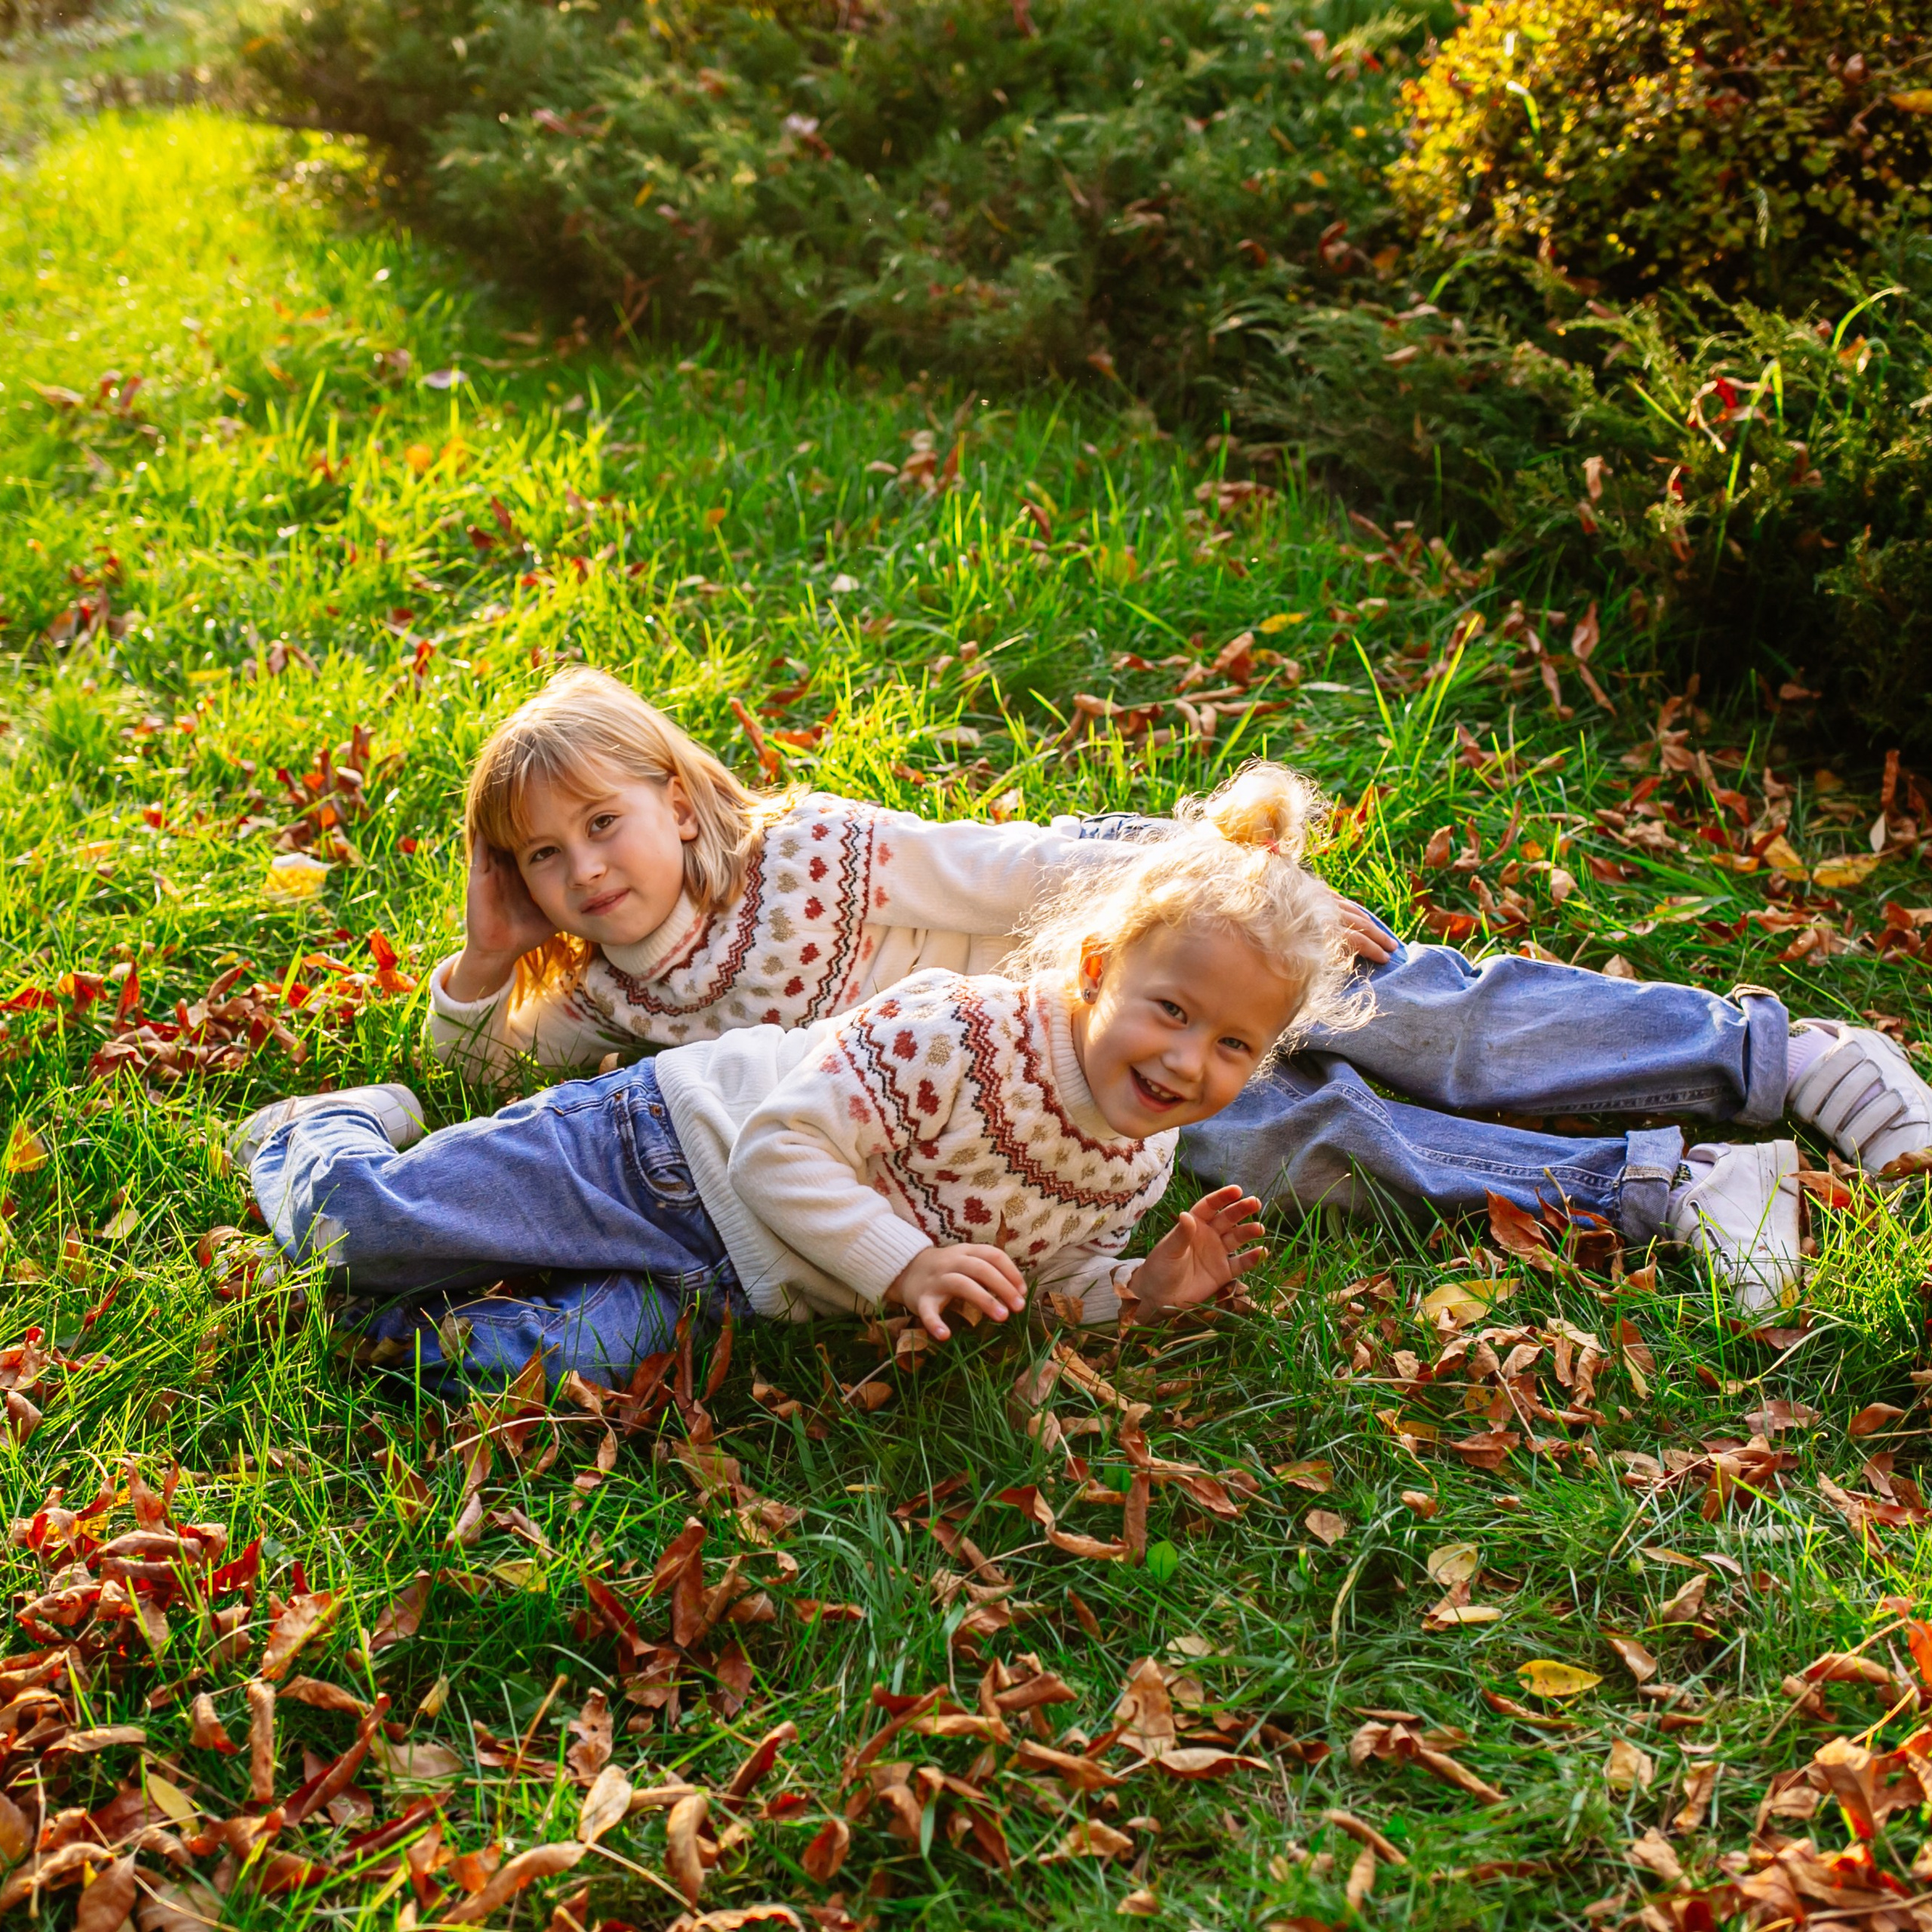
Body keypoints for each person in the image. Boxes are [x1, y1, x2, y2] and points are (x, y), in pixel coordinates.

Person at [422, 668, 1932, 1313]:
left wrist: (1212, 876)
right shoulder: (619, 1003)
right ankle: (1673, 1189)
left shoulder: (811, 852)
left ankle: (1773, 1055)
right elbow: (489, 1074)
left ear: (679, 799)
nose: (583, 870)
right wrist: (481, 962)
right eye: (541, 859)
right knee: (1303, 1145)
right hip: (1056, 1123)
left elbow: (1012, 867)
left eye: (601, 824)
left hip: (1122, 967)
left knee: (1400, 1012)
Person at [235, 765, 1358, 1386]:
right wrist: (905, 1260)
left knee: (501, 1373)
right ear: (1100, 973)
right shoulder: (958, 1031)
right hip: (658, 1155)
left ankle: (399, 1311)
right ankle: (316, 1133)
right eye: (1171, 1013)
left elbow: (1043, 1286)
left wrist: (1140, 1294)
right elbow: (780, 1149)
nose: (1186, 1060)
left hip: (732, 1289)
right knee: (367, 1235)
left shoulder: (1136, 1161)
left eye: (1232, 1047)